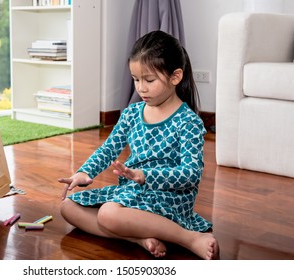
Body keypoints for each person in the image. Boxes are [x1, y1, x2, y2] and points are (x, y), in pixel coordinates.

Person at [58, 30, 219, 260]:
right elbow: (109, 148)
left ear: (175, 77)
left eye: (149, 80)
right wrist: (85, 172)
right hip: (133, 192)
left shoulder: (189, 121)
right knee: (67, 206)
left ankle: (190, 238)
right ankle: (137, 237)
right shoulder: (132, 113)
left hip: (168, 197)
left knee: (108, 214)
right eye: (136, 79)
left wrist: (145, 175)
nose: (141, 88)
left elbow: (191, 174)